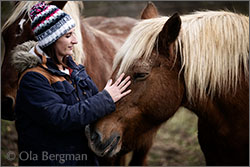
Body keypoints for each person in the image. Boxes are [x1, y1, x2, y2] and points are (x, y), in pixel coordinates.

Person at [12, 2, 131, 166]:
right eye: (68, 36)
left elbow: (93, 106)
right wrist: (106, 98)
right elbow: (61, 118)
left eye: (73, 34)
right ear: (51, 40)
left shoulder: (75, 70)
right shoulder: (33, 79)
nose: (75, 41)